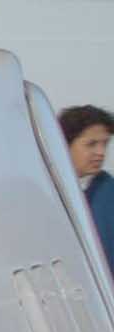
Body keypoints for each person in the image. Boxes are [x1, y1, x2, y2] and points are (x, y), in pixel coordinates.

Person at [62, 104, 114, 256]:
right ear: (64, 144)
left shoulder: (107, 193)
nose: (101, 152)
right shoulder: (46, 191)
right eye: (91, 144)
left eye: (105, 144)